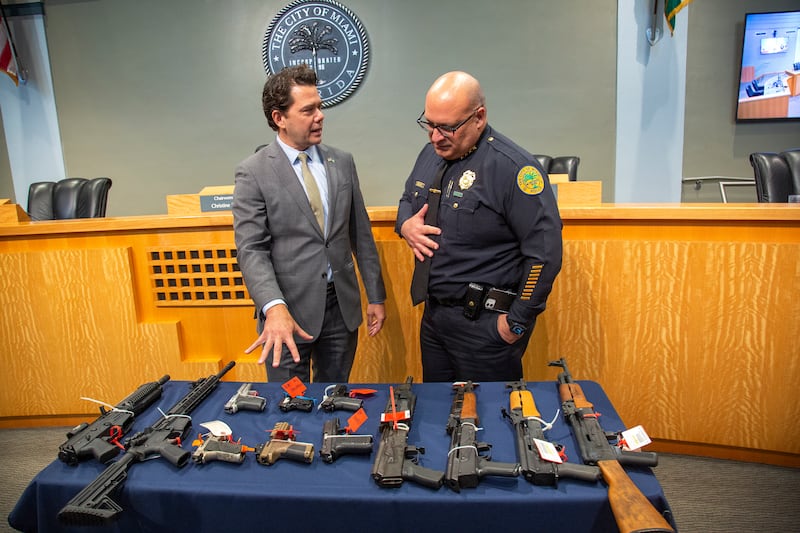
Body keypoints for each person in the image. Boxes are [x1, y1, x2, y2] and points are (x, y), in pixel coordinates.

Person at [396, 71, 562, 382]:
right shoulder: (431, 154)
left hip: (486, 327)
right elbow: (408, 198)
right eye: (429, 125)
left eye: (447, 128)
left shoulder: (514, 169)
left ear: (479, 117)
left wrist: (515, 324)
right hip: (434, 320)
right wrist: (406, 224)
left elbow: (545, 256)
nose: (435, 137)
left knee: (488, 422)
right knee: (437, 415)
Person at [233, 64, 386, 383]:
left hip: (341, 310)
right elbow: (252, 251)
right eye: (308, 110)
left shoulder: (342, 162)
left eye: (320, 106)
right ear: (279, 118)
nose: (320, 115)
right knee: (290, 407)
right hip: (287, 315)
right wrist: (273, 308)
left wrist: (375, 296)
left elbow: (361, 234)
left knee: (334, 399)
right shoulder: (253, 172)